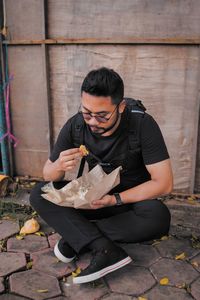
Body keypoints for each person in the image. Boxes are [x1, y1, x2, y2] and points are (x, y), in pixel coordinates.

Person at [30, 67, 173, 284]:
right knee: (39, 193)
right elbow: (48, 173)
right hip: (92, 202)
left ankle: (76, 238)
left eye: (102, 115)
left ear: (121, 107)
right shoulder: (76, 125)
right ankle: (104, 248)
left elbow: (164, 183)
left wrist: (115, 199)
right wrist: (59, 164)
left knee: (158, 215)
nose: (93, 122)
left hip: (127, 204)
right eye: (87, 113)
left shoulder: (142, 125)